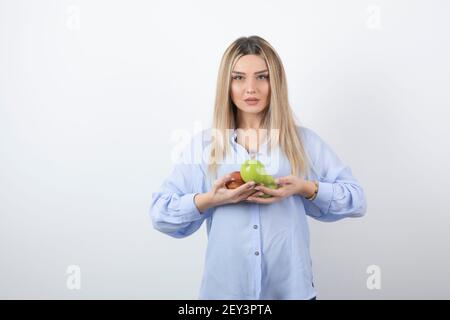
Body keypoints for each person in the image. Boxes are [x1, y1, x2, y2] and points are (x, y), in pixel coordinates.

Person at [150, 36, 367, 300]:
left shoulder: (303, 143)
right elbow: (160, 213)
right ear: (226, 85)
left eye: (262, 77)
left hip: (291, 293)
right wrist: (210, 200)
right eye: (239, 78)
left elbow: (357, 200)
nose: (250, 88)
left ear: (275, 82)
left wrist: (305, 188)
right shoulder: (205, 146)